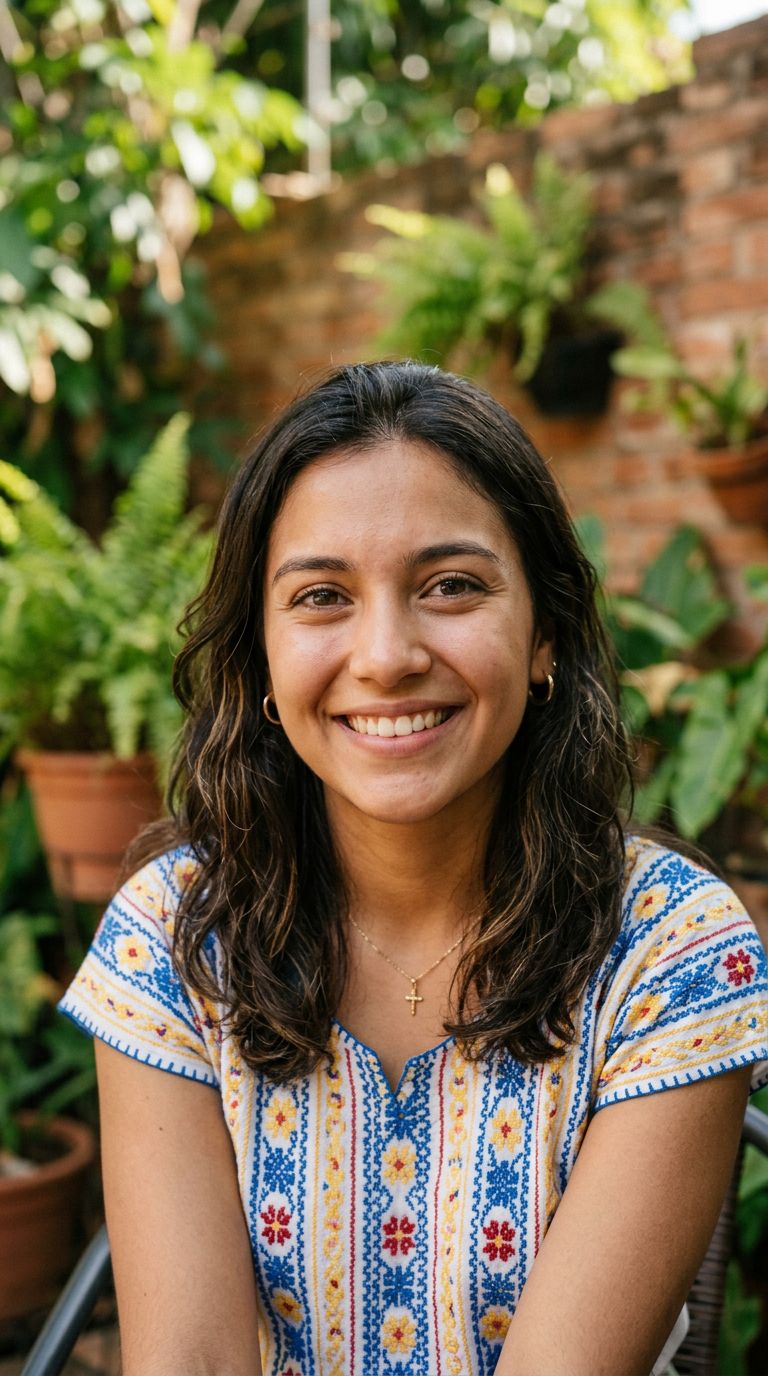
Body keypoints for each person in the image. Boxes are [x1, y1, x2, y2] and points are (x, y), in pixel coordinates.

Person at [60, 361, 768, 1376]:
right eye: (321, 596)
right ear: (261, 661)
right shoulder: (173, 939)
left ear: (545, 634)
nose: (386, 654)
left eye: (451, 586)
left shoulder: (674, 948)